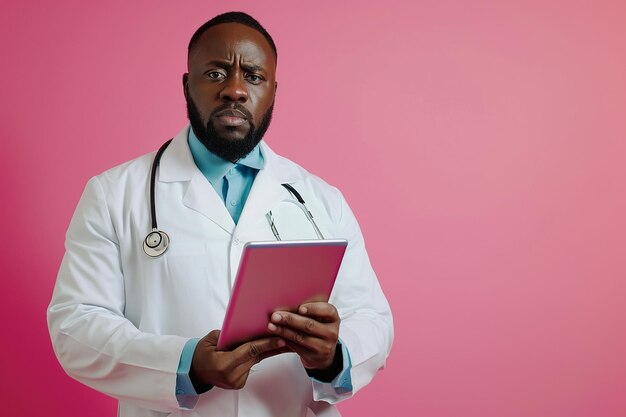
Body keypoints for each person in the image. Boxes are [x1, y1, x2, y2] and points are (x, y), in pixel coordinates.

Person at [47, 11, 393, 417]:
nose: (235, 90)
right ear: (186, 85)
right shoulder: (113, 194)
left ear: (273, 91)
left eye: (253, 76)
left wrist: (332, 356)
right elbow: (76, 326)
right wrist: (186, 362)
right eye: (215, 74)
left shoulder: (322, 199)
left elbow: (372, 318)